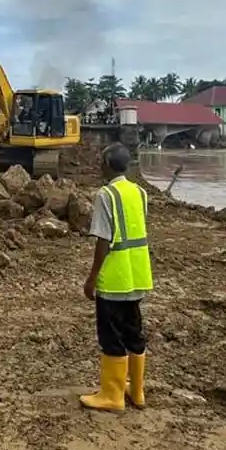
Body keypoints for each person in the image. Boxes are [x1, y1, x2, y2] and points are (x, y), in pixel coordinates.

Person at [80, 142, 154, 412]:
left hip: (114, 278)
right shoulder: (140, 193)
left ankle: (112, 395)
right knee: (133, 331)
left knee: (111, 335)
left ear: (108, 165)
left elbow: (104, 241)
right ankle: (136, 390)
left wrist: (92, 278)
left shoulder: (106, 195)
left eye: (101, 162)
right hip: (137, 274)